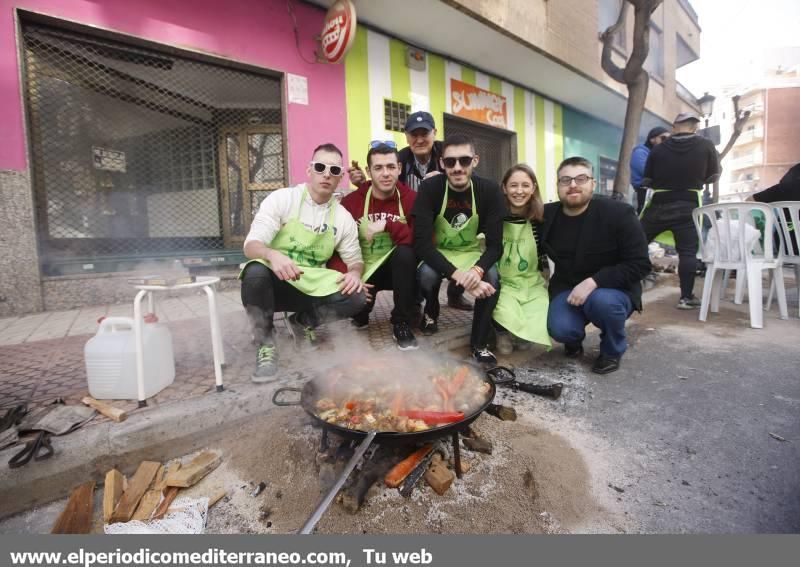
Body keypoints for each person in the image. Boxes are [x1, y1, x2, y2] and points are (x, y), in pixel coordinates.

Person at [240, 143, 368, 381]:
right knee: (255, 272)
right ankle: (266, 343)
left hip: (309, 287)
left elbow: (355, 261)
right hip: (275, 284)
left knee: (358, 295)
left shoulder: (343, 217)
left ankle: (302, 321)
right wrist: (272, 255)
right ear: (309, 171)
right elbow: (251, 246)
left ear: (340, 177)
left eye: (334, 170)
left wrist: (355, 274)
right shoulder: (282, 199)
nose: (327, 174)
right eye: (320, 167)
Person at [348, 111, 472, 311]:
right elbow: (385, 185)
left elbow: (465, 180)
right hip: (414, 218)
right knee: (412, 253)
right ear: (406, 136)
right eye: (414, 134)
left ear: (435, 133)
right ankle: (414, 301)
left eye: (425, 133)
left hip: (446, 216)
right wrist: (365, 183)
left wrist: (442, 183)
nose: (420, 139)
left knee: (460, 247)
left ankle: (454, 294)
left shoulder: (448, 155)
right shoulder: (400, 159)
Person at [541, 156, 650, 374]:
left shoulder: (619, 214)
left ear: (593, 183)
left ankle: (612, 350)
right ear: (558, 186)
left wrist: (594, 282)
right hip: (568, 287)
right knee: (560, 328)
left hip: (612, 290)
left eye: (581, 178)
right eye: (565, 180)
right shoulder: (547, 215)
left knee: (602, 303)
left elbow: (640, 264)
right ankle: (573, 339)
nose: (572, 185)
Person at [412, 133, 505, 364]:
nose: (457, 167)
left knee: (492, 277)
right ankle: (431, 311)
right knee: (425, 275)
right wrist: (459, 276)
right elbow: (422, 244)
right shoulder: (430, 189)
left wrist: (477, 272)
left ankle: (479, 343)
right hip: (439, 251)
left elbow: (495, 246)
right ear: (442, 163)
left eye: (464, 160)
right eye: (450, 161)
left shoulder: (490, 190)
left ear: (475, 160)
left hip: (470, 252)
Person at [329, 142, 419, 350]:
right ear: (369, 171)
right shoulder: (351, 203)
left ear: (399, 168)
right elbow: (335, 247)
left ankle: (401, 322)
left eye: (390, 167)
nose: (385, 173)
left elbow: (422, 240)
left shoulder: (412, 199)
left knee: (406, 254)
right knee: (356, 311)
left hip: (398, 270)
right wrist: (350, 277)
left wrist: (388, 224)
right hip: (364, 270)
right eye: (378, 168)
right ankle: (361, 311)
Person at [640, 112, 721, 309]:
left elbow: (647, 180)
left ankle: (627, 287)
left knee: (636, 241)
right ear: (694, 127)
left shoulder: (658, 149)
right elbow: (713, 175)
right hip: (688, 204)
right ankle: (686, 298)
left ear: (675, 127)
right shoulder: (706, 145)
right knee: (687, 253)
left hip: (659, 204)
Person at [492, 164, 551, 355]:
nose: (519, 191)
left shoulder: (541, 218)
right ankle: (501, 331)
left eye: (525, 185)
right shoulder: (494, 215)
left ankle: (521, 332)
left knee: (540, 309)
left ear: (533, 188)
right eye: (513, 185)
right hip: (503, 282)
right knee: (502, 308)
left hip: (530, 282)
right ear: (504, 188)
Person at [630, 126, 670, 213]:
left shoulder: (659, 154)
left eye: (669, 138)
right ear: (652, 139)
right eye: (663, 138)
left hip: (654, 194)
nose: (666, 141)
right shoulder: (640, 152)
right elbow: (647, 172)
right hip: (642, 194)